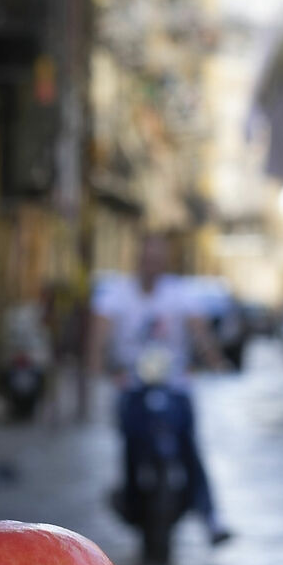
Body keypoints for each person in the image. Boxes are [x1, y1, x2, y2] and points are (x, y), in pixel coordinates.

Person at [90, 234, 232, 545]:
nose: (151, 265)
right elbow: (100, 331)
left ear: (164, 262)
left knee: (189, 445)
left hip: (174, 384)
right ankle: (129, 499)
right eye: (146, 258)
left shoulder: (179, 293)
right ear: (137, 260)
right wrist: (98, 364)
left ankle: (210, 515)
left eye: (157, 259)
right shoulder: (117, 293)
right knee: (128, 443)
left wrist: (214, 358)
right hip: (132, 384)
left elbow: (199, 330)